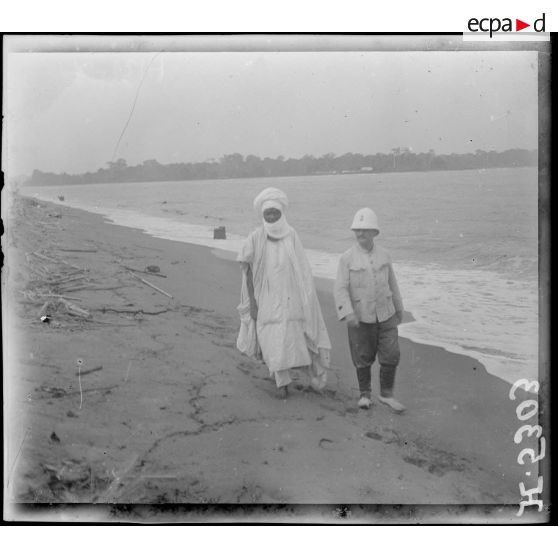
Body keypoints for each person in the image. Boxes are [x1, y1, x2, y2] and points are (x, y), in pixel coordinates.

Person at [236, 187, 331, 398]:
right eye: (267, 213)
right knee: (271, 336)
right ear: (262, 215)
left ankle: (299, 375)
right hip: (266, 298)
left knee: (292, 336)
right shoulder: (256, 237)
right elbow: (248, 272)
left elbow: (303, 269)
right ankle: (282, 382)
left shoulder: (292, 235)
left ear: (282, 213)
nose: (271, 217)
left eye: (275, 213)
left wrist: (306, 298)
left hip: (292, 298)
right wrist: (252, 302)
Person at [334, 207, 406, 412]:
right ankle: (365, 395)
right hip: (360, 315)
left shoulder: (385, 254)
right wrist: (347, 312)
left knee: (391, 354)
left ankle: (386, 395)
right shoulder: (346, 258)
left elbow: (393, 282)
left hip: (386, 313)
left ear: (375, 232)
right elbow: (339, 288)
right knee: (362, 356)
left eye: (365, 230)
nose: (360, 234)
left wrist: (399, 308)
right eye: (357, 230)